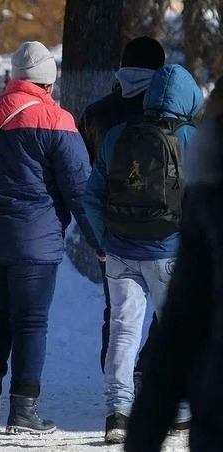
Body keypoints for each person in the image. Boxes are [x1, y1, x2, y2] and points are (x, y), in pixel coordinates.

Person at [0, 40, 100, 434]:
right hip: (34, 241)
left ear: (14, 78)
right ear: (48, 83)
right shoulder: (58, 120)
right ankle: (23, 409)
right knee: (30, 322)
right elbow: (79, 191)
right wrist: (99, 243)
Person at [81, 63, 203, 444]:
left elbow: (91, 196)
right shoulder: (191, 139)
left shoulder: (118, 134)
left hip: (120, 250)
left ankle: (117, 413)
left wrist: (104, 239)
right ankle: (181, 412)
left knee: (123, 330)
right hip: (169, 252)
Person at [124, 75, 223, 452]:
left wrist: (144, 434)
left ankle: (118, 403)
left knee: (123, 328)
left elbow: (183, 327)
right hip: (162, 245)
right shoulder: (190, 141)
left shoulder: (211, 183)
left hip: (216, 413)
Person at [77, 37, 166, 379]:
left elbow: (83, 174)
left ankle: (117, 385)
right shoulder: (166, 113)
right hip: (163, 228)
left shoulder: (96, 113)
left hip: (112, 228)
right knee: (169, 307)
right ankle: (147, 367)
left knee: (117, 312)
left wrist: (97, 234)